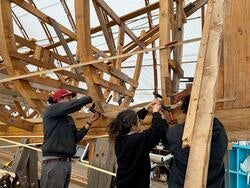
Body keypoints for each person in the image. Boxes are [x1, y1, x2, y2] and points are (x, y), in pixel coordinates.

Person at [163, 95, 228, 188]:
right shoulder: (219, 130)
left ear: (186, 111)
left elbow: (168, 138)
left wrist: (160, 118)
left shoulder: (176, 134)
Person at [40, 89, 100, 188]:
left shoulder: (68, 119)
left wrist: (89, 122)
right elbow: (72, 106)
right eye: (68, 98)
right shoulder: (51, 110)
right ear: (59, 99)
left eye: (72, 98)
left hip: (65, 163)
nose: (71, 100)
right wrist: (90, 97)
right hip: (54, 162)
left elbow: (74, 139)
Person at [107, 99, 168, 188]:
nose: (140, 121)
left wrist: (147, 107)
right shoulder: (136, 140)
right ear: (133, 127)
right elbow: (157, 130)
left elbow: (135, 118)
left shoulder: (119, 136)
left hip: (123, 183)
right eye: (138, 121)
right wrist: (156, 112)